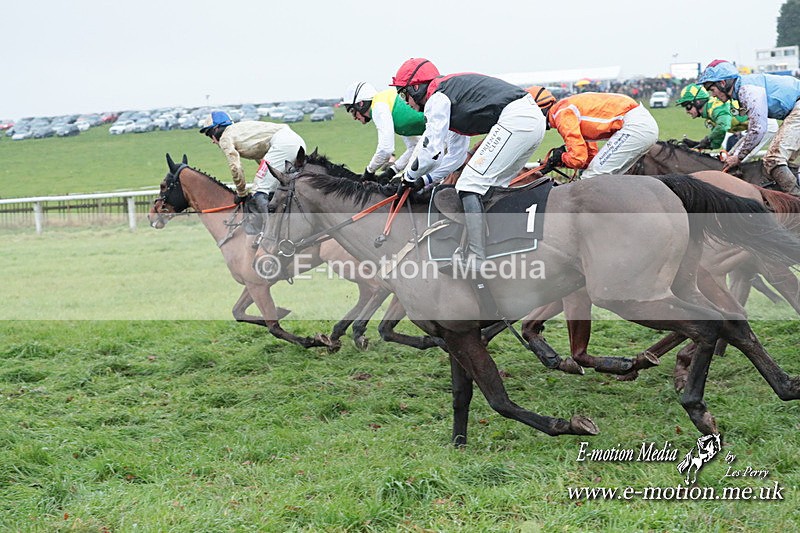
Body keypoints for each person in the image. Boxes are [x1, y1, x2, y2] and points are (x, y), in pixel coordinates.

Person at [390, 58, 546, 272]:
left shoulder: (437, 98)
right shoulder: (449, 97)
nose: (406, 102)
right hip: (530, 120)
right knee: (492, 187)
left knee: (469, 184)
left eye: (403, 94)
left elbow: (431, 151)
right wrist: (425, 180)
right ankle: (500, 248)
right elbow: (456, 157)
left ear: (416, 88)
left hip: (517, 120)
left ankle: (476, 258)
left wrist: (408, 178)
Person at [698, 59, 800, 195]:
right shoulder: (743, 88)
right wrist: (734, 154)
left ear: (722, 83)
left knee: (773, 159)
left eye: (712, 90)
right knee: (784, 162)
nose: (713, 95)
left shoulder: (747, 90)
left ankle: (795, 201)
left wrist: (738, 157)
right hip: (795, 107)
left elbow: (758, 129)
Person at [532, 87, 659, 178]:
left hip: (635, 126)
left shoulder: (561, 114)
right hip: (642, 124)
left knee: (590, 178)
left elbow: (578, 159)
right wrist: (559, 161)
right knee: (606, 179)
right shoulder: (564, 109)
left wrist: (561, 158)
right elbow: (589, 159)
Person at [199, 110, 307, 215]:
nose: (212, 141)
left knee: (258, 190)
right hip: (296, 140)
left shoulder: (225, 138)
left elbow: (235, 167)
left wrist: (241, 193)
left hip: (282, 143)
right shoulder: (240, 130)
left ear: (216, 129)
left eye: (209, 134)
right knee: (275, 187)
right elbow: (262, 159)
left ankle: (269, 226)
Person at [342, 81, 426, 182]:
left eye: (352, 111)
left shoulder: (378, 107)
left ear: (361, 104)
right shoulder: (385, 104)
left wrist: (369, 172)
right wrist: (392, 171)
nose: (354, 118)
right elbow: (414, 146)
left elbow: (385, 149)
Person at [675, 83, 776, 158]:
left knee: (735, 159)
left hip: (765, 125)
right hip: (756, 127)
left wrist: (707, 139)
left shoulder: (716, 107)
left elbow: (723, 126)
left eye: (687, 106)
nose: (687, 111)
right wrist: (698, 145)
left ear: (697, 102)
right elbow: (717, 143)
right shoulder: (710, 116)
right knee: (729, 158)